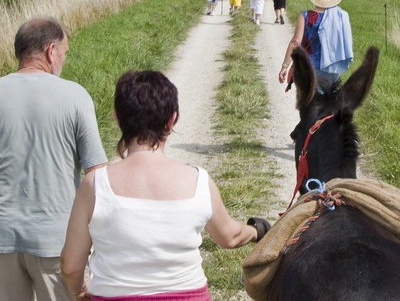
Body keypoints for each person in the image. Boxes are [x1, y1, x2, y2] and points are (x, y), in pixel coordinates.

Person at [0, 17, 108, 301]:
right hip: (57, 239)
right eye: (64, 53)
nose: (64, 59)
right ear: (51, 51)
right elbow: (97, 175)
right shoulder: (76, 96)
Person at [61, 70, 270, 300]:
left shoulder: (94, 185)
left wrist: (78, 292)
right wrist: (256, 230)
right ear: (172, 120)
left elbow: (71, 266)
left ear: (118, 119)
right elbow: (229, 236)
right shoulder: (199, 182)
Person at [278, 0, 353, 91]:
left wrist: (285, 66)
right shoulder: (341, 17)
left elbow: (296, 42)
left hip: (308, 68)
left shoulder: (305, 16)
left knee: (309, 105)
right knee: (328, 104)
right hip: (331, 68)